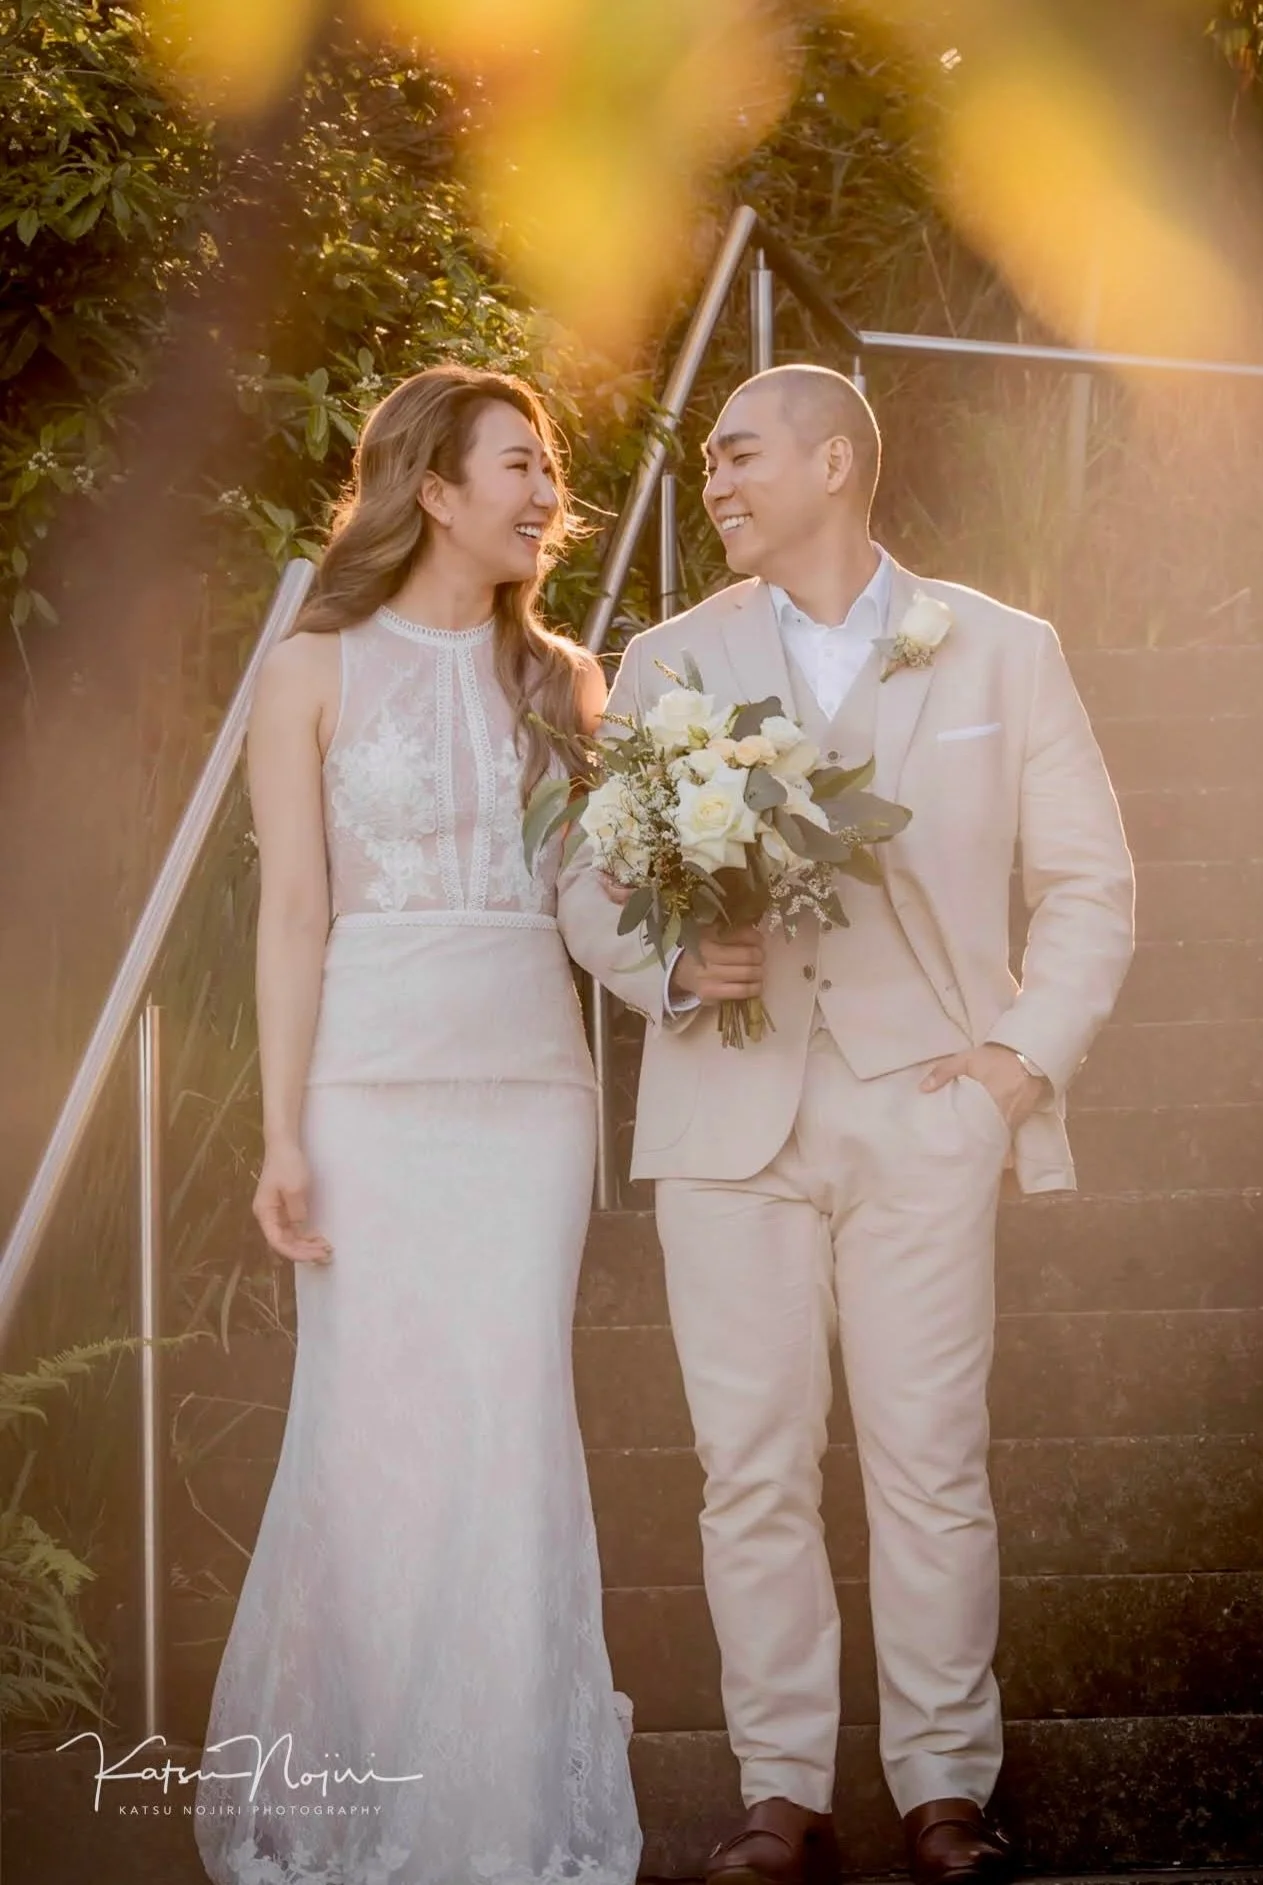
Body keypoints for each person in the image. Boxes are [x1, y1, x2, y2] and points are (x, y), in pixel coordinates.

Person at [557, 364, 1135, 1885]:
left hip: (924, 1107)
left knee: (929, 1457)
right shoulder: (669, 656)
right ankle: (781, 1792)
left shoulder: (1002, 651)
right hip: (724, 1119)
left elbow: (1089, 880)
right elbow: (586, 882)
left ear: (833, 461)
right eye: (708, 464)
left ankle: (946, 1787)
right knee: (746, 1462)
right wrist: (672, 962)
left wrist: (1018, 1064)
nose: (716, 484)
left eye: (738, 454)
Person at [194, 365, 642, 1885]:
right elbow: (294, 914)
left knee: (509, 1435)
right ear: (432, 491)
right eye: (514, 465)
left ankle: (497, 1818)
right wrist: (280, 1134)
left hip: (528, 1104)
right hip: (368, 1100)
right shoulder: (312, 666)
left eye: (550, 467)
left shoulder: (569, 681)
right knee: (371, 1442)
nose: (542, 492)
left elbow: (593, 904)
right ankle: (361, 1803)